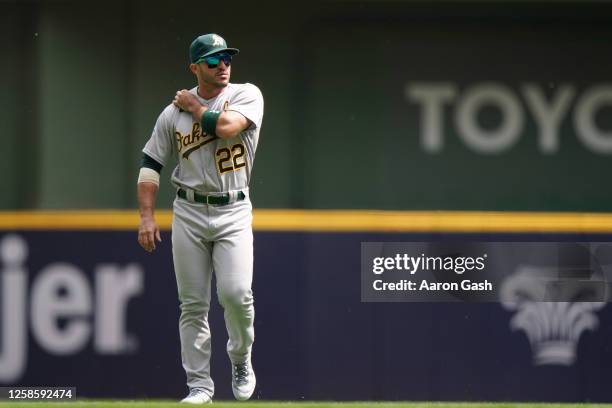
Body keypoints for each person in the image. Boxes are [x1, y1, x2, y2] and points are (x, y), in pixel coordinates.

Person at [136, 33, 264, 404]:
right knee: (192, 304)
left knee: (237, 295)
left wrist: (194, 107)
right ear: (195, 68)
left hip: (234, 208)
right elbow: (150, 165)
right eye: (212, 60)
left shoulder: (245, 94)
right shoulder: (171, 114)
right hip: (189, 209)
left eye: (226, 57)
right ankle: (200, 386)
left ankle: (240, 358)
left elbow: (225, 128)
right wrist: (146, 217)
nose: (222, 64)